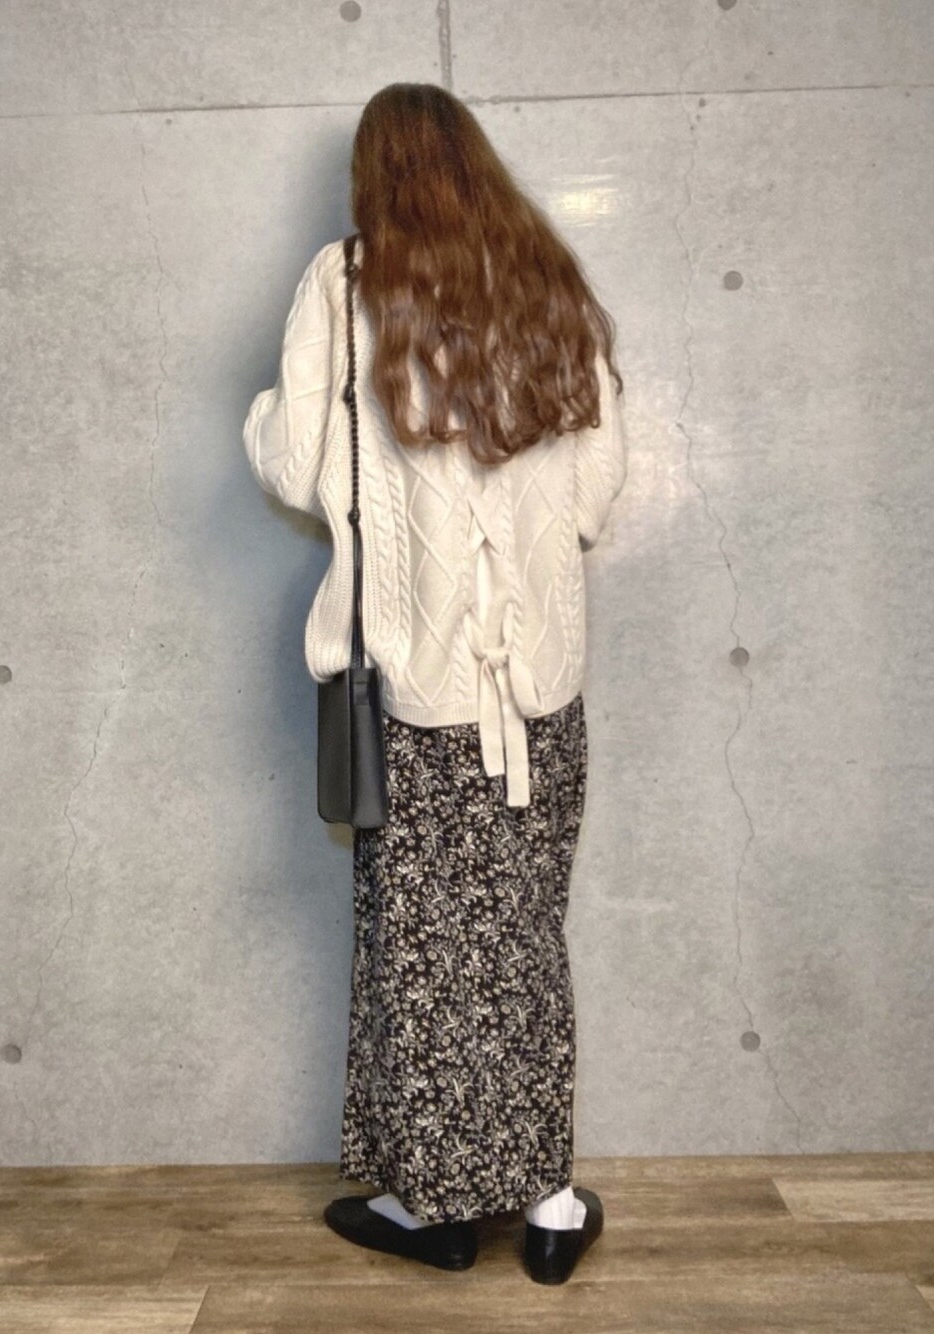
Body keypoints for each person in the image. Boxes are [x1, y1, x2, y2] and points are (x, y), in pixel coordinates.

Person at [241, 83, 627, 1284]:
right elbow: (595, 489)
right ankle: (549, 1206)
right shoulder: (546, 277)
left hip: (418, 691)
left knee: (420, 952)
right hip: (540, 690)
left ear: (378, 171)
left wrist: (269, 411)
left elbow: (294, 465)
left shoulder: (345, 281)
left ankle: (437, 1210)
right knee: (523, 939)